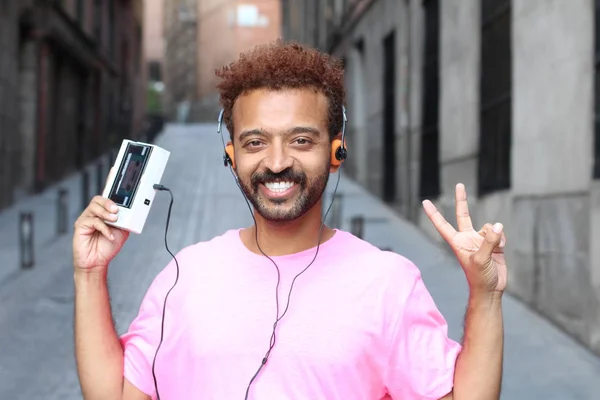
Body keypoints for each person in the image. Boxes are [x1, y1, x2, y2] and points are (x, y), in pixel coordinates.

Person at [73, 40, 506, 400]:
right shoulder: (183, 275)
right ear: (232, 157)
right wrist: (90, 274)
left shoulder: (388, 282)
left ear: (336, 153)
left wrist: (484, 296)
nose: (277, 162)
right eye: (255, 141)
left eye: (301, 140)